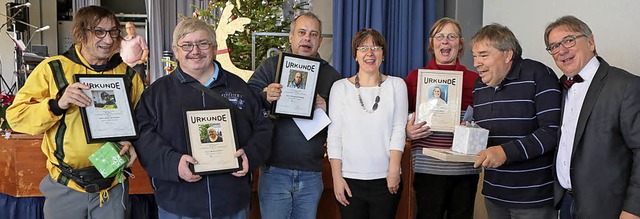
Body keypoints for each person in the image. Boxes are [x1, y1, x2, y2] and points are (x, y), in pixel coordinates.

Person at [5, 5, 143, 218]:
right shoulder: (53, 69)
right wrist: (56, 105)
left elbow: (142, 121)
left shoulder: (128, 75)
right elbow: (16, 118)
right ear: (80, 34)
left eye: (113, 32)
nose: (108, 40)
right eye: (99, 32)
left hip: (113, 184)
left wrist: (134, 142)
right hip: (65, 186)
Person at [134, 17, 272, 218]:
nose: (195, 51)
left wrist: (250, 155)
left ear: (214, 48)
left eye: (203, 43)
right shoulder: (156, 94)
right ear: (176, 50)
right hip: (178, 205)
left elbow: (264, 127)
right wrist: (173, 164)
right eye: (187, 45)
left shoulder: (240, 88)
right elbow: (144, 137)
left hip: (232, 203)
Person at [544, 16, 640, 219]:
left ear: (591, 42)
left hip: (609, 208)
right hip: (565, 203)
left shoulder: (626, 86)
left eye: (569, 40)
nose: (561, 50)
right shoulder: (556, 88)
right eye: (553, 46)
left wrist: (633, 209)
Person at [247, 12, 341, 219]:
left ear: (320, 41)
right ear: (291, 37)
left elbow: (344, 120)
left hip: (311, 173)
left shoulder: (332, 76)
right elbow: (246, 98)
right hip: (274, 171)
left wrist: (328, 106)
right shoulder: (272, 66)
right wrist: (265, 95)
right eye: (302, 32)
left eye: (313, 34)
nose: (307, 38)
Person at [470, 24, 561, 219]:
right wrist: (470, 133)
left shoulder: (539, 75)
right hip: (494, 195)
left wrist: (505, 152)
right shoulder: (480, 85)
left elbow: (552, 131)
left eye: (484, 55)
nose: (476, 63)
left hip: (533, 198)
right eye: (474, 56)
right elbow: (488, 131)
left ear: (507, 54)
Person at [327, 28, 407, 219]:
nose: (369, 53)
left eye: (375, 47)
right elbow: (334, 136)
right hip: (349, 181)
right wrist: (337, 178)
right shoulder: (339, 88)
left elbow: (398, 130)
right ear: (355, 55)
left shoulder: (397, 85)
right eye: (363, 48)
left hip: (386, 179)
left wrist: (394, 171)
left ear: (383, 54)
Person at [404, 17, 480, 219]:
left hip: (464, 169)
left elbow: (485, 122)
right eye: (440, 36)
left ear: (460, 43)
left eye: (451, 36)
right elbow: (400, 119)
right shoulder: (414, 78)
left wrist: (472, 127)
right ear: (432, 43)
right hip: (428, 168)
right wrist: (407, 131)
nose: (445, 41)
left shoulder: (476, 80)